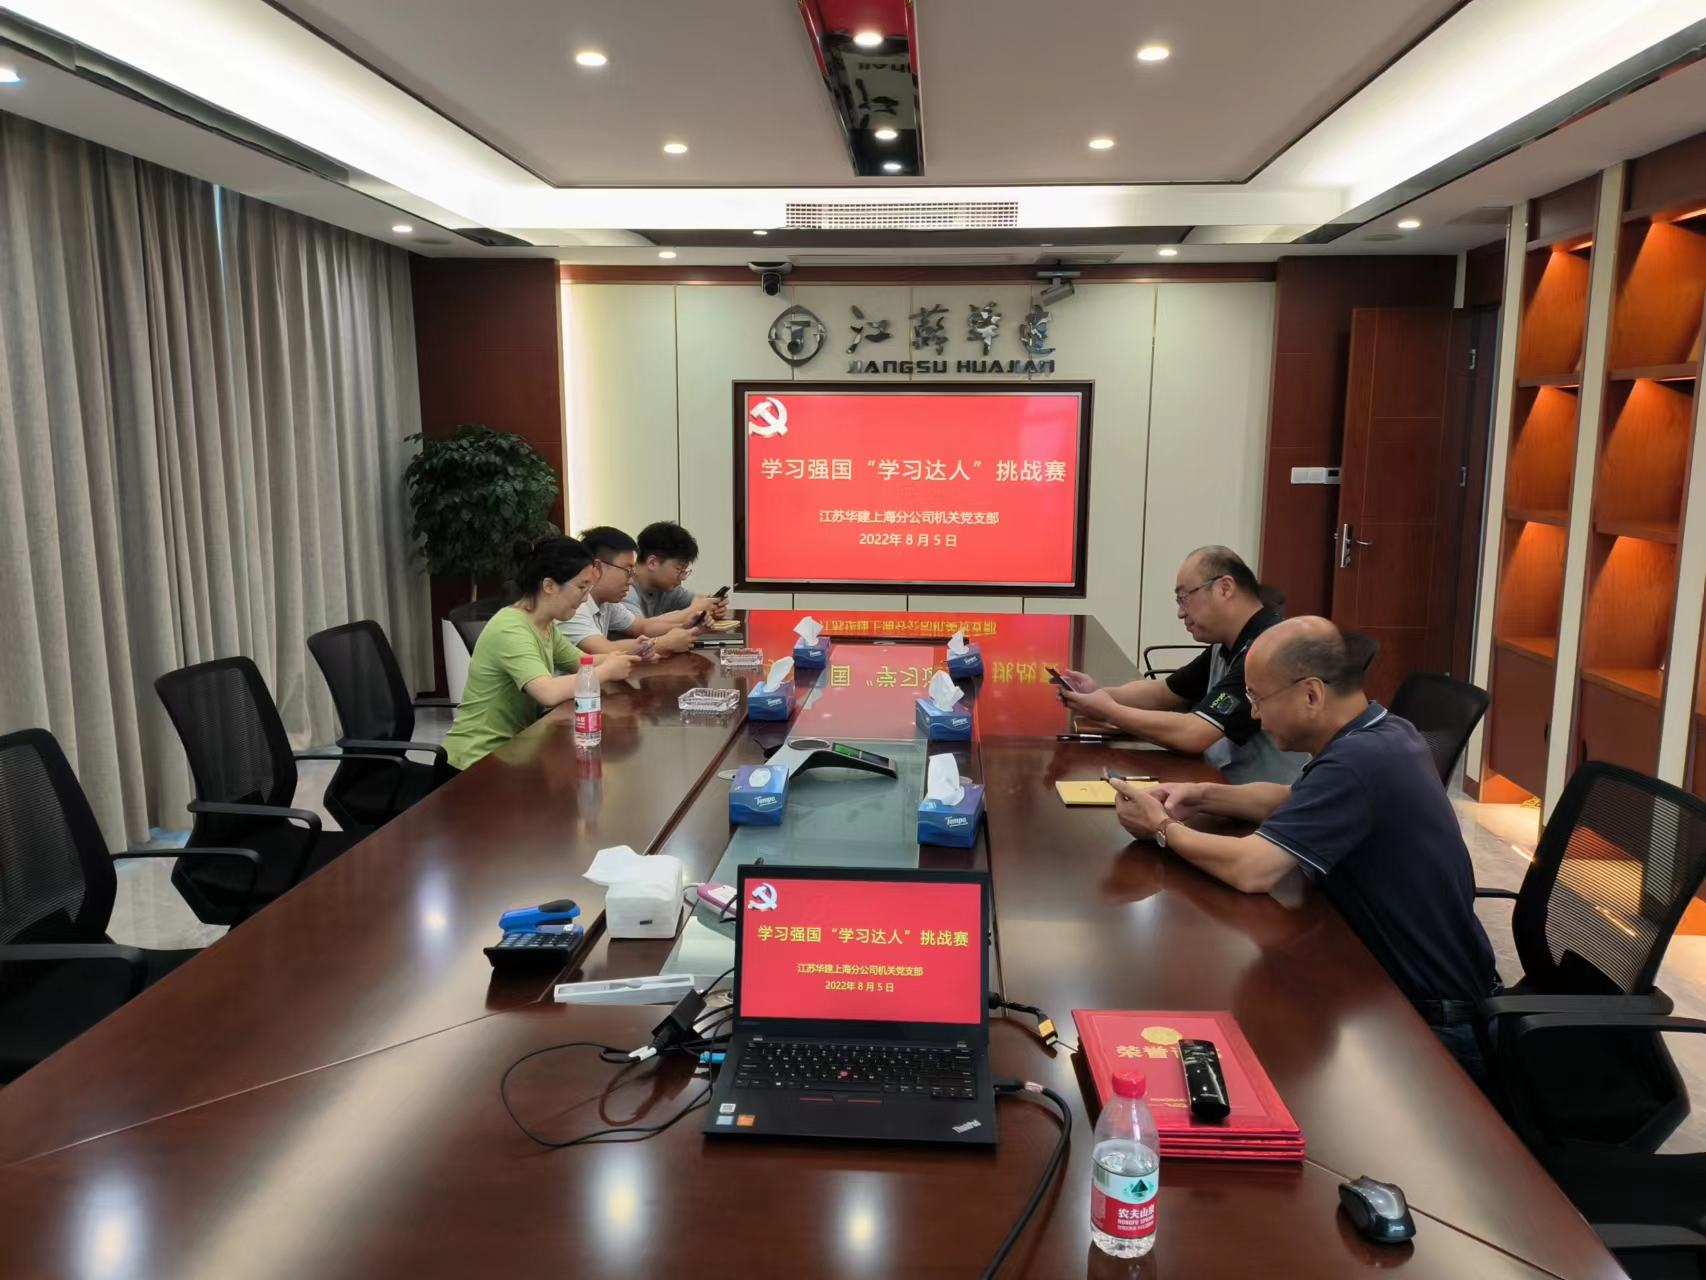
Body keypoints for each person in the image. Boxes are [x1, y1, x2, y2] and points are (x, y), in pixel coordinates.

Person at [1109, 616, 1500, 1079]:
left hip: (1430, 1021)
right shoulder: (1383, 731)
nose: (1255, 715)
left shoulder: (1358, 761)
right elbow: (1293, 800)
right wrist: (1201, 794)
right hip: (1389, 983)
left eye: (1258, 698)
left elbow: (1253, 870)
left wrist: (1161, 829)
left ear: (1311, 694)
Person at [1057, 545, 1306, 785]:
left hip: (1262, 802)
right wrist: (1098, 693)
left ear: (1225, 588)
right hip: (1219, 782)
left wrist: (1108, 711)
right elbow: (1164, 692)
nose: (1181, 613)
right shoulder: (1225, 645)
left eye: (1184, 598)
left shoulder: (1267, 649)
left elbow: (1194, 733)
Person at [443, 537, 641, 772]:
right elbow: (547, 692)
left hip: (516, 749)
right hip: (477, 761)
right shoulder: (511, 628)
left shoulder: (545, 625)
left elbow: (582, 662)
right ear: (549, 586)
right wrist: (606, 671)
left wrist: (626, 654)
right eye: (581, 587)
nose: (585, 597)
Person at [562, 526, 701, 658]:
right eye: (628, 571)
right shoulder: (574, 605)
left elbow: (642, 627)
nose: (631, 580)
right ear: (598, 567)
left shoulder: (608, 603)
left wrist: (686, 626)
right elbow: (605, 649)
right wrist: (663, 643)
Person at [624, 521, 729, 624]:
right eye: (679, 569)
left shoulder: (665, 588)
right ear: (652, 563)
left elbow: (695, 599)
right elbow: (640, 627)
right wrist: (693, 611)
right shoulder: (624, 589)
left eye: (685, 571)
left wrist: (712, 606)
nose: (683, 577)